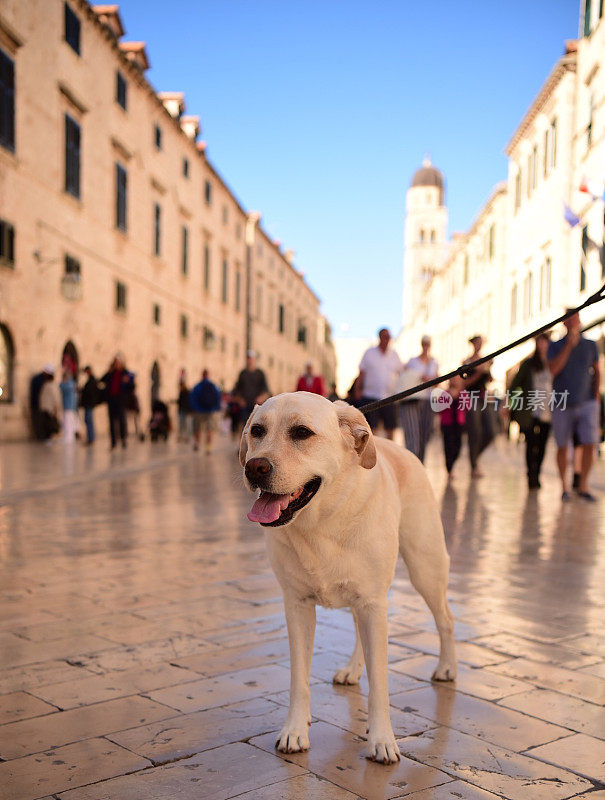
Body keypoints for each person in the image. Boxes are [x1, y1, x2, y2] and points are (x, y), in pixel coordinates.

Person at [547, 310, 600, 501]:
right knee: (562, 445)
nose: (572, 322)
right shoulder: (555, 346)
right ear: (564, 324)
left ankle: (583, 485)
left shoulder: (590, 345)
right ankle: (564, 486)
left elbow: (597, 370)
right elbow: (554, 369)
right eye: (568, 320)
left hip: (587, 402)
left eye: (574, 318)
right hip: (562, 403)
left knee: (589, 443)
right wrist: (568, 347)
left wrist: (595, 398)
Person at [508, 333, 552, 490]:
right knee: (531, 443)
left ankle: (537, 473)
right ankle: (530, 474)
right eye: (540, 342)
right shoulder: (528, 364)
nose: (543, 345)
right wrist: (513, 404)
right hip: (530, 411)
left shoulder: (553, 362)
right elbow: (515, 385)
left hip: (548, 410)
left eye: (545, 342)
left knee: (542, 445)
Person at [356, 328, 403, 439]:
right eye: (384, 336)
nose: (387, 339)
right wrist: (357, 390)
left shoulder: (394, 355)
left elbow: (401, 373)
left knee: (390, 428)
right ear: (380, 337)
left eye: (388, 337)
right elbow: (362, 373)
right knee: (371, 429)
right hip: (370, 395)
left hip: (389, 397)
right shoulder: (369, 353)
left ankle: (389, 453)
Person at [399, 335, 439, 462]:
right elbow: (405, 377)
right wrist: (419, 377)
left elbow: (437, 380)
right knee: (413, 433)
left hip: (428, 400)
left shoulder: (434, 363)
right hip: (413, 400)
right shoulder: (413, 361)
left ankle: (420, 462)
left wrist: (430, 380)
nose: (426, 346)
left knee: (425, 433)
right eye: (424, 343)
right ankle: (412, 461)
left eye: (428, 343)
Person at [463, 335, 495, 477]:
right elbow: (465, 384)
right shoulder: (467, 362)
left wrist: (488, 371)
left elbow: (489, 379)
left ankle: (475, 456)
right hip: (471, 398)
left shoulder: (484, 360)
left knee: (491, 431)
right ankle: (473, 465)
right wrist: (479, 372)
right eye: (478, 343)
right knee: (474, 431)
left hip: (484, 398)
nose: (480, 345)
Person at [100, 353, 134, 450]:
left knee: (122, 421)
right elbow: (102, 380)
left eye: (118, 362)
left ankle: (123, 439)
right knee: (111, 421)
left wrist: (127, 381)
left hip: (121, 400)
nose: (116, 364)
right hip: (111, 400)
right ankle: (113, 442)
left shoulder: (125, 373)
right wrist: (109, 370)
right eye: (115, 362)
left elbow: (132, 386)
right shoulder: (111, 373)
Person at [439, 376, 468, 478]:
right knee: (448, 446)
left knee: (458, 446)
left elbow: (467, 407)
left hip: (459, 423)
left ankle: (452, 464)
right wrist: (450, 397)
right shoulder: (445, 393)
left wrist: (459, 396)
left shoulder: (463, 393)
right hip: (447, 424)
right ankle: (449, 468)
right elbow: (439, 407)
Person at [233, 351, 270, 426]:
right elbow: (237, 389)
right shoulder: (243, 373)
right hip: (245, 406)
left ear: (255, 359)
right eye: (248, 358)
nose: (249, 360)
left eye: (251, 358)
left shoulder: (260, 373)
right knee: (245, 426)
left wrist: (261, 398)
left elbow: (266, 390)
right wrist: (240, 400)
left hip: (256, 406)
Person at [190, 369, 222, 453]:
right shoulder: (213, 386)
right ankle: (208, 447)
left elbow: (193, 397)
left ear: (202, 375)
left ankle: (197, 443)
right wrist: (216, 408)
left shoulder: (197, 386)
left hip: (198, 411)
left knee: (197, 428)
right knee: (209, 429)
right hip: (210, 411)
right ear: (208, 375)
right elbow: (218, 397)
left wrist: (194, 408)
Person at [30, 364, 55, 439]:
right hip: (38, 405)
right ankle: (41, 437)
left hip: (44, 406)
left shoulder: (44, 380)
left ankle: (44, 437)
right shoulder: (39, 380)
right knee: (39, 422)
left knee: (44, 422)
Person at [80, 366, 100, 446]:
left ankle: (91, 439)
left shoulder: (92, 380)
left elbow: (89, 392)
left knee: (89, 421)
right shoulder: (90, 380)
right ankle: (90, 438)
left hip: (89, 404)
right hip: (88, 404)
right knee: (88, 420)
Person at [38, 369, 60, 441]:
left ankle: (49, 437)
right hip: (47, 407)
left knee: (49, 424)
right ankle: (47, 437)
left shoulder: (50, 385)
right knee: (46, 424)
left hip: (48, 407)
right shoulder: (49, 385)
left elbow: (55, 396)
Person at [59, 369, 78, 443]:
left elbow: (60, 386)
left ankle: (69, 438)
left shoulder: (68, 384)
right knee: (69, 422)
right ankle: (69, 437)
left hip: (68, 406)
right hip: (71, 406)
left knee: (68, 423)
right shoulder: (72, 384)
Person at [177, 375, 192, 442]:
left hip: (185, 411)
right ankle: (181, 436)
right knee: (181, 424)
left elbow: (188, 402)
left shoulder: (187, 392)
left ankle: (186, 437)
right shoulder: (181, 392)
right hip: (181, 410)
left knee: (186, 424)